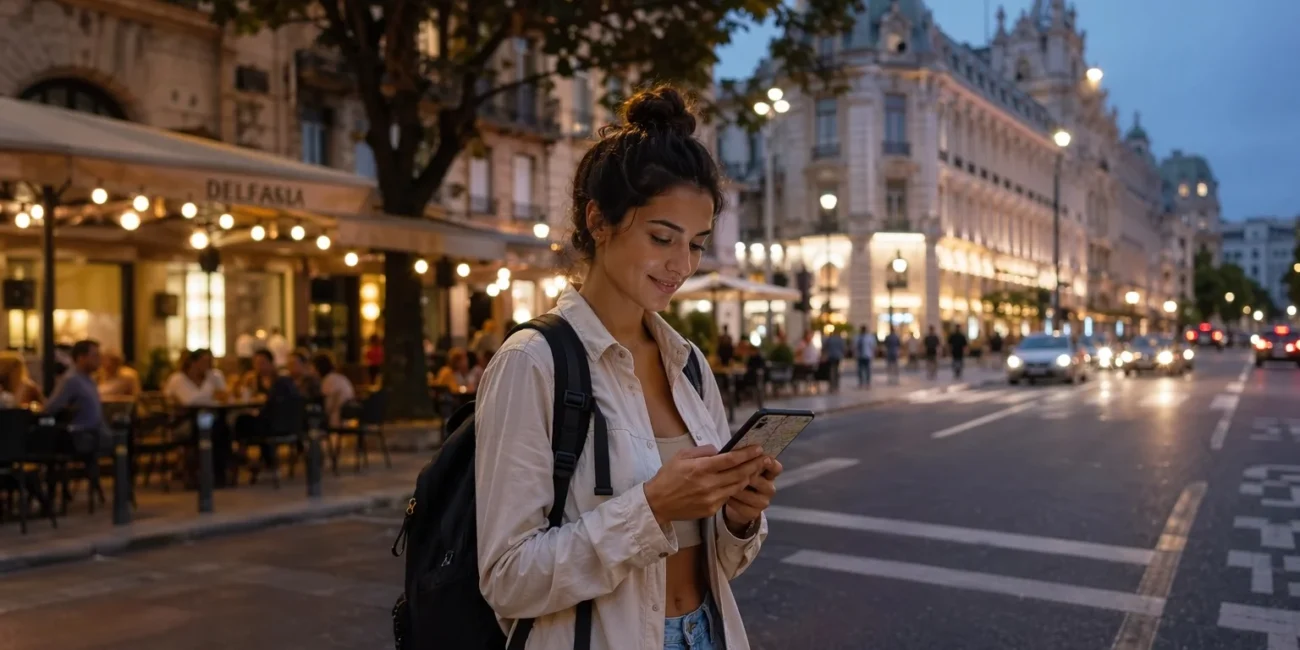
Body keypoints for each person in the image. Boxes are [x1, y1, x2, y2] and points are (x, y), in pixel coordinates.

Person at [475, 86, 777, 650]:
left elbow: (718, 565)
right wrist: (654, 505)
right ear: (598, 221)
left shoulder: (687, 364)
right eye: (662, 237)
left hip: (707, 633)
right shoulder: (532, 364)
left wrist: (737, 518)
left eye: (696, 244)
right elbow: (508, 579)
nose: (681, 264)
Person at [44, 340, 110, 453]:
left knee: (123, 437)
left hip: (96, 433)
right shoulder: (71, 380)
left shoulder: (89, 380)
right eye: (95, 356)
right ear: (81, 358)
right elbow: (51, 407)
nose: (99, 360)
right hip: (81, 435)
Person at [312, 352, 356, 428]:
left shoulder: (328, 380)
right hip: (347, 415)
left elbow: (329, 405)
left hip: (338, 416)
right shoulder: (338, 377)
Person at [823, 328, 845, 393]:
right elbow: (843, 348)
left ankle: (831, 386)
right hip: (838, 356)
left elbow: (824, 347)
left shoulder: (829, 339)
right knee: (836, 371)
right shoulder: (840, 339)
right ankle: (836, 386)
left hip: (831, 356)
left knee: (831, 371)